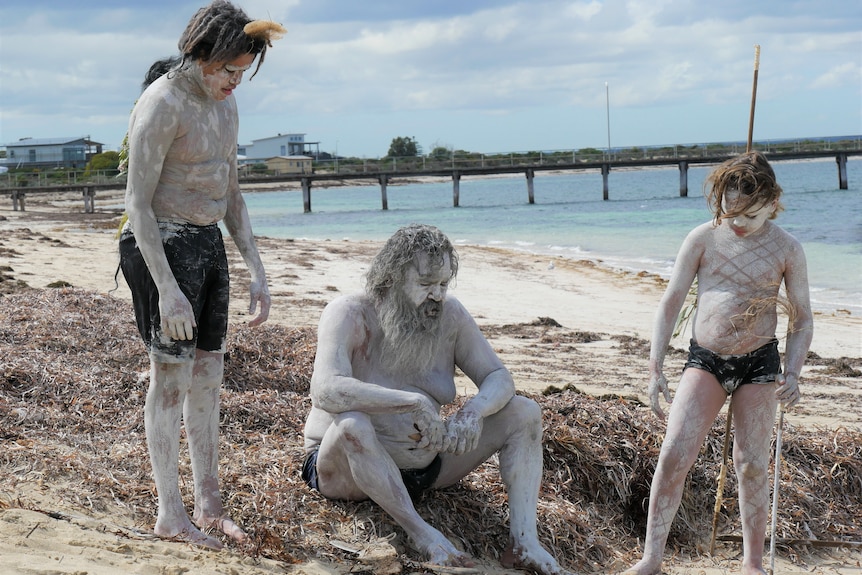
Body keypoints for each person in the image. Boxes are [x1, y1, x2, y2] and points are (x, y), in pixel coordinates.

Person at [302, 224, 572, 575]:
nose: (437, 296)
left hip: (427, 468)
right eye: (427, 285)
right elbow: (325, 389)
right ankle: (423, 534)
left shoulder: (451, 316)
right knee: (353, 422)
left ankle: (524, 542)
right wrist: (411, 403)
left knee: (524, 412)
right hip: (344, 469)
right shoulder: (350, 313)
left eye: (444, 284)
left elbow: (499, 377)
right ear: (392, 279)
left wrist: (474, 411)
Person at [118, 0, 285, 550]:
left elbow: (230, 192)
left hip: (207, 241)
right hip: (159, 243)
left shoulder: (225, 106)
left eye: (244, 72)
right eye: (229, 70)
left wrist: (256, 268)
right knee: (170, 377)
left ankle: (209, 505)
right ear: (201, 54)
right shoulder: (162, 103)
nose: (236, 82)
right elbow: (137, 205)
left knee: (209, 374)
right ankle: (171, 512)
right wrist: (166, 289)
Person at [623, 151, 813, 575]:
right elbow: (671, 301)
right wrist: (655, 367)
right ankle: (651, 558)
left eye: (749, 213)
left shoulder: (788, 248)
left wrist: (795, 372)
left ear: (771, 201)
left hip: (760, 364)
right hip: (705, 360)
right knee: (674, 453)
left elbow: (801, 317)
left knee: (750, 463)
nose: (738, 222)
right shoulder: (702, 238)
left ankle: (752, 564)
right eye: (730, 213)